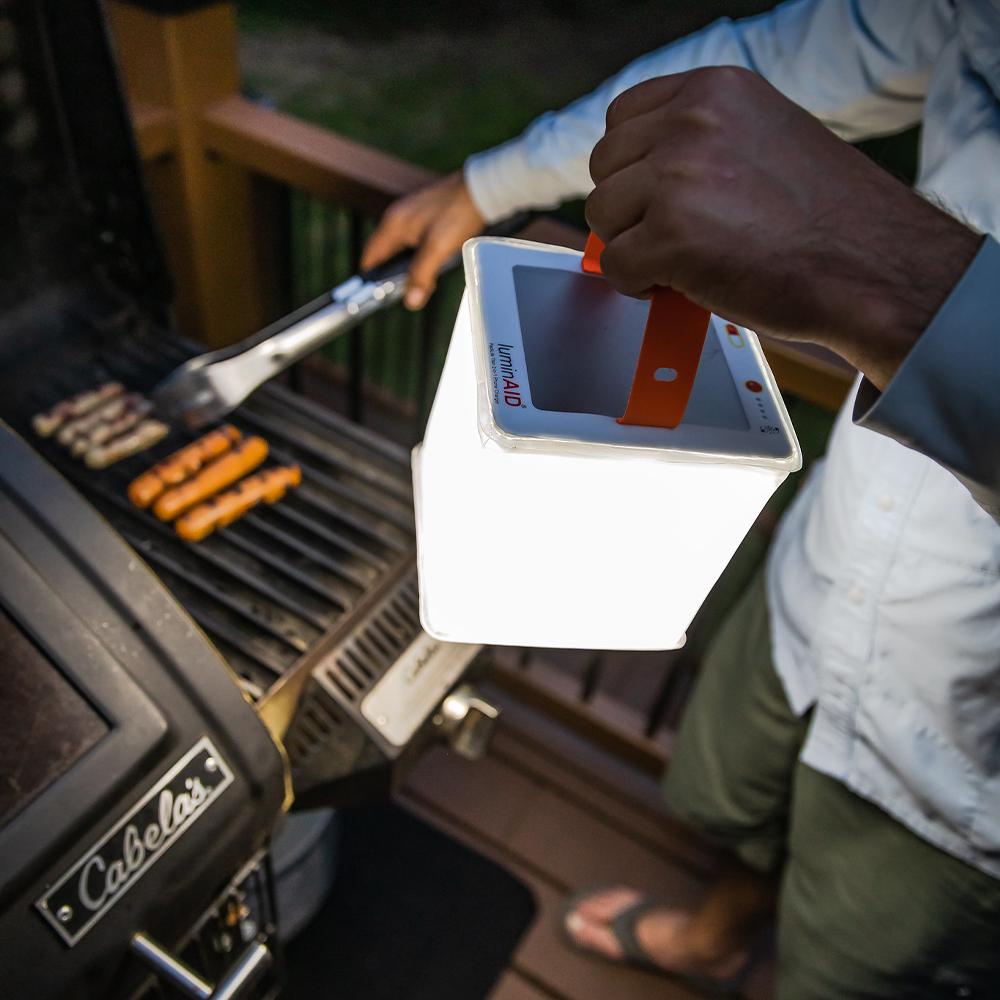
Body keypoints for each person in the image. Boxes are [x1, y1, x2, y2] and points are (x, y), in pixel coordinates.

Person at [363, 1, 1000, 996]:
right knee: (721, 792)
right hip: (830, 563)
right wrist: (494, 181)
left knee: (857, 962)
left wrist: (906, 282)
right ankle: (711, 940)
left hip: (970, 745)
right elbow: (771, 62)